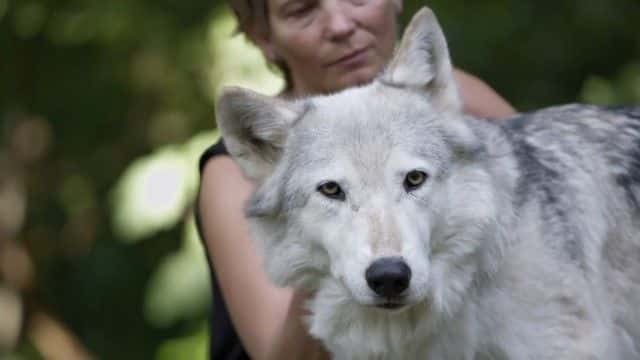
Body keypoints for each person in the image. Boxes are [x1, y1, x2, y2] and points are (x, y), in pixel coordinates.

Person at [197, 0, 516, 359]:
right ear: (264, 37)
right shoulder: (239, 166)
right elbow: (283, 357)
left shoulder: (448, 99)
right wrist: (336, 244)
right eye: (302, 10)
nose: (339, 25)